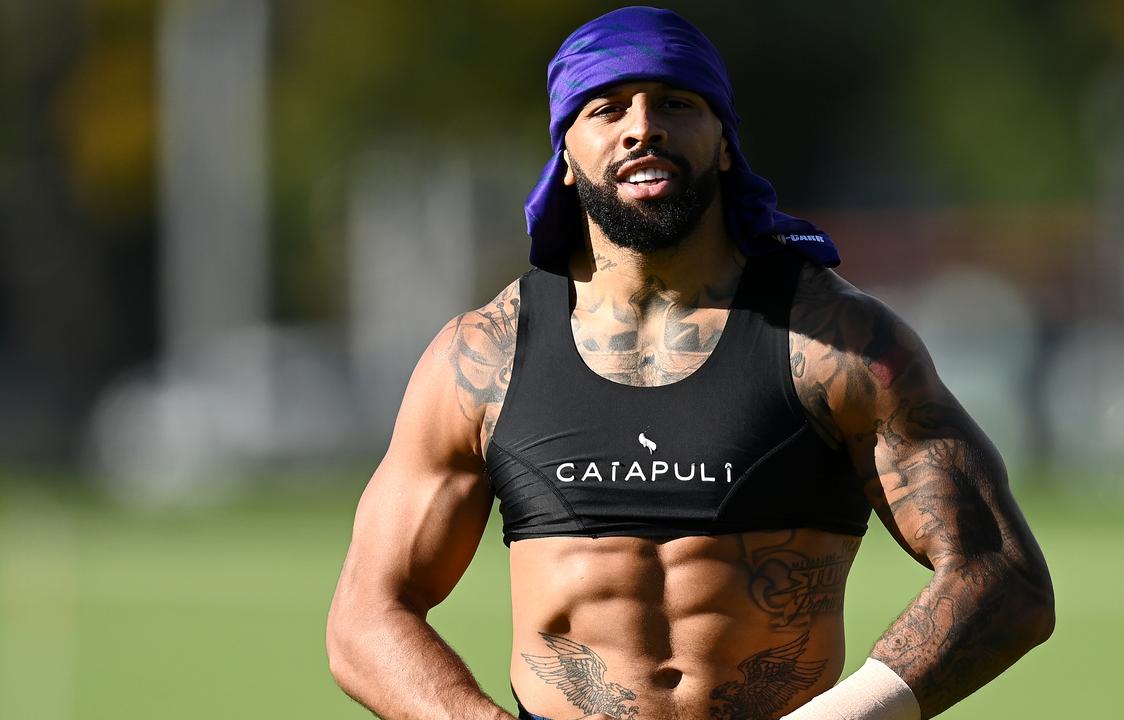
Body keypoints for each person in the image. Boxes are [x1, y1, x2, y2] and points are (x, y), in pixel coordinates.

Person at [326, 7, 1054, 720]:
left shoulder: (837, 344)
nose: (643, 126)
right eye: (607, 109)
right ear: (567, 160)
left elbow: (1003, 576)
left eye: (675, 103)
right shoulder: (482, 358)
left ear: (726, 142)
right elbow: (365, 618)